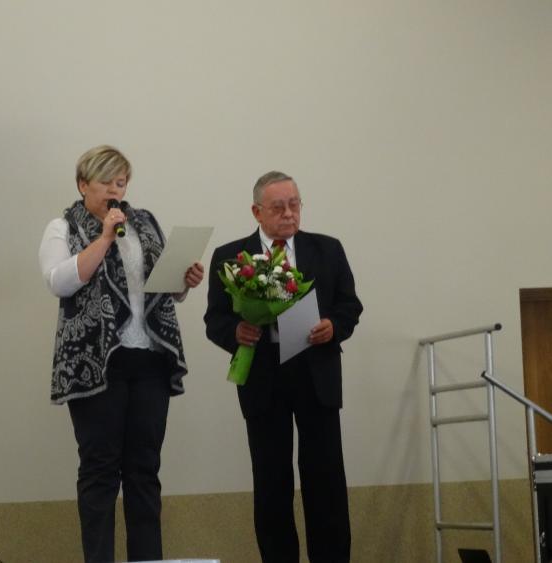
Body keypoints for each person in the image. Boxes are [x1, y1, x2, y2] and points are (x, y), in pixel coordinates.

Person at [39, 145, 204, 563]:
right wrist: (104, 238)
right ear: (83, 185)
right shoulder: (63, 226)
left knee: (144, 472)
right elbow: (60, 281)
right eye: (106, 182)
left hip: (149, 359)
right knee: (100, 473)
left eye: (121, 182)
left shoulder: (144, 223)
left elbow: (161, 290)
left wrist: (184, 281)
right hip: (96, 364)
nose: (116, 191)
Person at [203, 171, 362, 563]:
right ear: (257, 211)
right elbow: (215, 319)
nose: (289, 214)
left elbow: (349, 305)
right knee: (271, 483)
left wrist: (334, 326)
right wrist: (235, 332)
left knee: (325, 481)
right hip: (263, 377)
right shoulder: (230, 256)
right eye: (278, 207)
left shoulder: (327, 249)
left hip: (316, 373)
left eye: (294, 204)